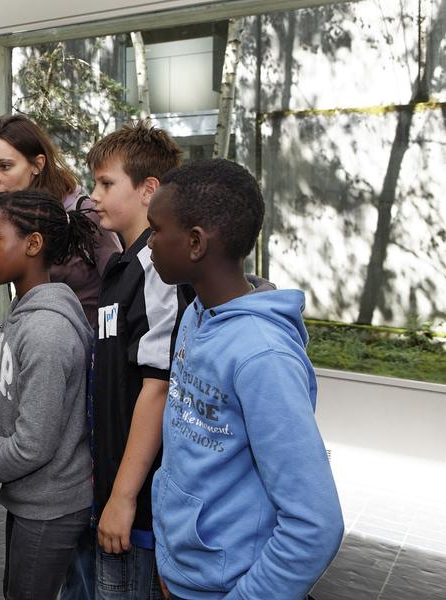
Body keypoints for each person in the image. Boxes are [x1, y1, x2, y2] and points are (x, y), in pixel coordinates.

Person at [146, 159, 343, 600]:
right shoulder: (198, 316)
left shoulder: (262, 355)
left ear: (195, 243)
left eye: (156, 230)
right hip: (184, 577)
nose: (150, 244)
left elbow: (316, 524)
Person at [65, 122, 189, 600]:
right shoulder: (121, 266)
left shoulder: (158, 269)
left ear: (148, 190)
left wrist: (123, 496)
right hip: (114, 490)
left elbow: (157, 387)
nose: (93, 195)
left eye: (106, 183)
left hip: (139, 505)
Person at [0, 189, 97, 600]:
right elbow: (2, 409)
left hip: (52, 504)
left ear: (32, 244)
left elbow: (33, 446)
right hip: (30, 497)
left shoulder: (46, 331)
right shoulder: (23, 315)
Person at [0, 113, 121, 327]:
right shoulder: (2, 213)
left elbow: (119, 285)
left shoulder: (85, 212)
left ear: (37, 164)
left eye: (4, 166)